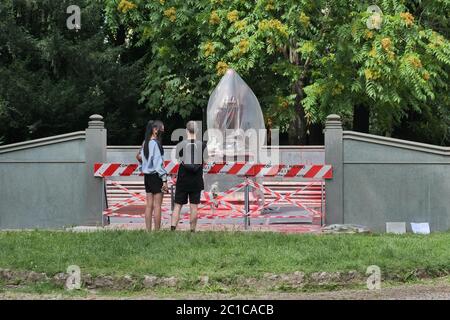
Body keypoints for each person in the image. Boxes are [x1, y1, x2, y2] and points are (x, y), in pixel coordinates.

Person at [171, 121, 206, 232]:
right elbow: (205, 161)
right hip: (196, 179)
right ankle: (192, 230)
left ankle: (172, 229)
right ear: (197, 131)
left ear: (186, 130)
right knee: (194, 206)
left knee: (178, 205)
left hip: (183, 178)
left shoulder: (181, 145)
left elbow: (179, 159)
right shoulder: (203, 145)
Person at [136, 120, 168, 231]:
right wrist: (164, 179)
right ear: (155, 130)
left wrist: (143, 167)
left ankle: (148, 231)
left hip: (147, 177)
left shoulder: (145, 142)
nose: (162, 133)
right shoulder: (155, 144)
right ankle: (157, 231)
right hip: (156, 176)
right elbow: (158, 163)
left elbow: (139, 157)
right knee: (157, 205)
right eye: (161, 130)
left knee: (149, 204)